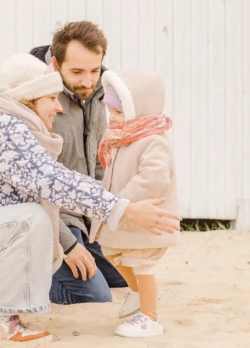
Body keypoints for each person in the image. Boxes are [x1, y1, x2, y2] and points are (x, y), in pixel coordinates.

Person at [0, 53, 181, 345]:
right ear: (29, 99)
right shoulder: (6, 130)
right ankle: (1, 323)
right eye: (51, 98)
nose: (59, 108)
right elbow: (55, 182)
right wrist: (122, 209)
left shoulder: (6, 125)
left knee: (38, 233)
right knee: (30, 220)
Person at [28, 21, 130, 306]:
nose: (87, 81)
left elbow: (98, 162)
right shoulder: (37, 99)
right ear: (56, 63)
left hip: (86, 216)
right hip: (52, 218)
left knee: (126, 274)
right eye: (76, 72)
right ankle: (4, 278)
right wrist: (68, 244)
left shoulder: (99, 92)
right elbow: (30, 188)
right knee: (92, 294)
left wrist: (110, 215)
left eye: (94, 70)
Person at [91, 69, 179, 338]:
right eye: (110, 111)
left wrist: (122, 199)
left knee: (142, 263)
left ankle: (150, 316)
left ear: (138, 109)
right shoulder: (122, 137)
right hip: (123, 215)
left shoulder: (153, 140)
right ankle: (140, 295)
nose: (112, 117)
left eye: (118, 112)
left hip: (147, 217)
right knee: (112, 252)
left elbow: (154, 177)